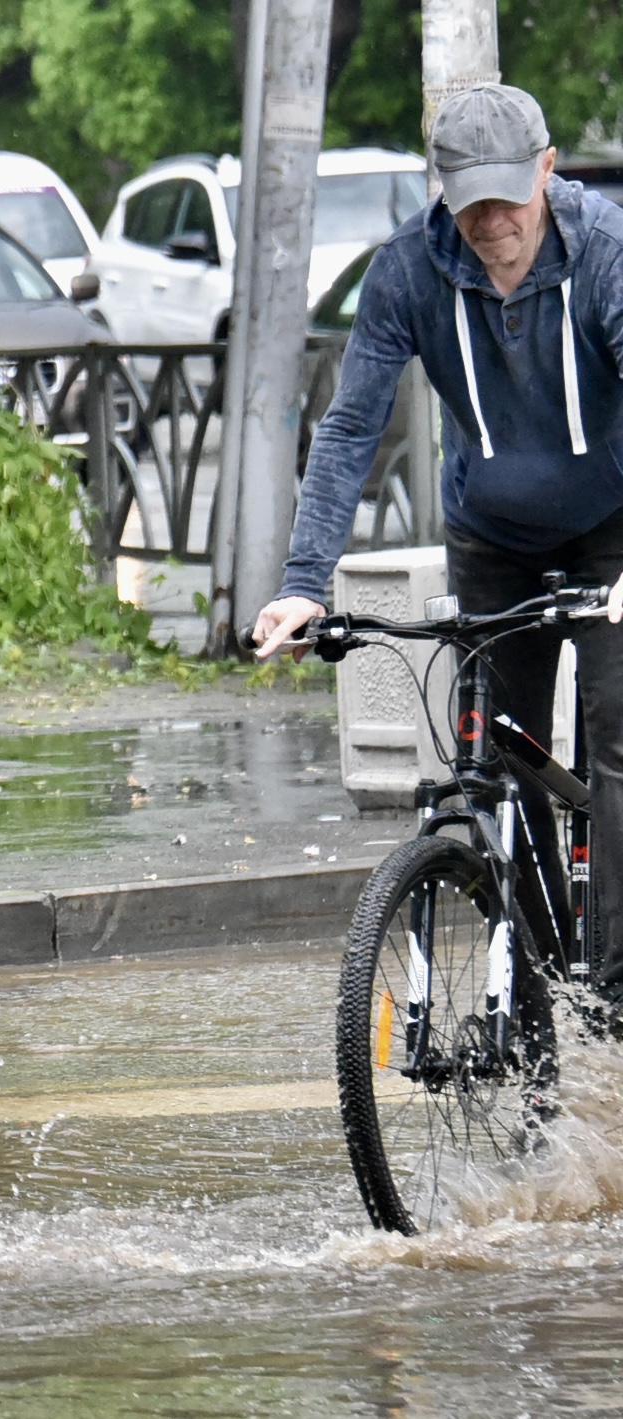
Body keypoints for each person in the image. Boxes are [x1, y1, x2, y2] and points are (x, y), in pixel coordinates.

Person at [252, 84, 623, 1008]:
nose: (492, 223)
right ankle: (529, 1009)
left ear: (547, 169)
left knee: (620, 744)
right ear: (442, 190)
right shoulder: (408, 272)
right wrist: (304, 584)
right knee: (496, 761)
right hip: (490, 536)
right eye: (470, 202)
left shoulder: (609, 256)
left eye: (508, 196)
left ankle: (614, 994)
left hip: (614, 527)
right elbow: (348, 431)